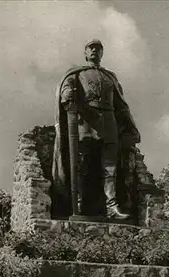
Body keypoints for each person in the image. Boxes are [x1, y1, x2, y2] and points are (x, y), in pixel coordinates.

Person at [52, 39, 141, 220]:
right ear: (85, 53)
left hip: (109, 123)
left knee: (110, 167)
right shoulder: (77, 73)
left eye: (98, 48)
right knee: (81, 165)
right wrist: (67, 94)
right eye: (91, 48)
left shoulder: (110, 77)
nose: (94, 51)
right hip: (86, 123)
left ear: (102, 54)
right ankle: (78, 205)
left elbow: (121, 105)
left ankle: (111, 208)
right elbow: (66, 87)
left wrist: (130, 126)